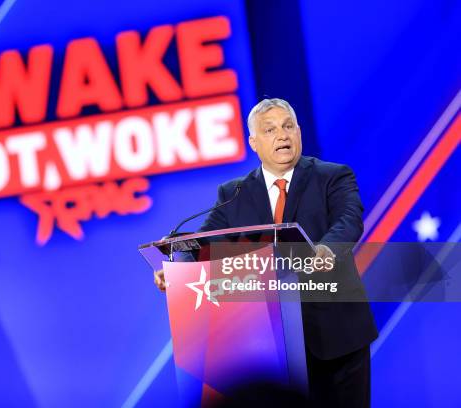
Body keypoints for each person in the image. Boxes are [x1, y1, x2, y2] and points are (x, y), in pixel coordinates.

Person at [154, 98, 378, 408]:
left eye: (288, 127)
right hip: (271, 343)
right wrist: (179, 272)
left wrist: (326, 249)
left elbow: (349, 219)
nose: (282, 136)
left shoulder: (332, 176)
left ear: (299, 132)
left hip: (335, 335)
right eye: (270, 130)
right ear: (254, 143)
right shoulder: (234, 193)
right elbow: (205, 244)